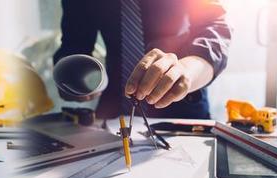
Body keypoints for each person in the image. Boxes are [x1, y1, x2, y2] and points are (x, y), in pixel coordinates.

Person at [54, 0, 231, 119]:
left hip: (182, 111)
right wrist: (70, 79)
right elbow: (74, 44)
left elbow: (214, 28)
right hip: (113, 111)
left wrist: (187, 71)